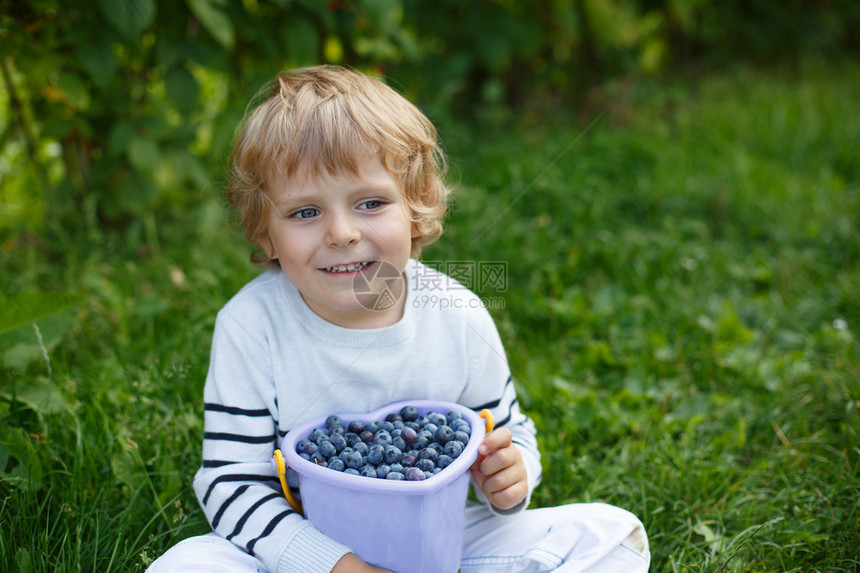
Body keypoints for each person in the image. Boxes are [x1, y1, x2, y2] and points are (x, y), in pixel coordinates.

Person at [147, 65, 649, 573]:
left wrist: (508, 478)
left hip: (437, 540)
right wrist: (338, 565)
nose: (342, 233)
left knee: (606, 534)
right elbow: (231, 483)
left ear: (416, 208)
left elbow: (506, 431)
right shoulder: (251, 328)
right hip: (301, 547)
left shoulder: (457, 315)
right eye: (305, 213)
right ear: (264, 232)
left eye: (370, 202)